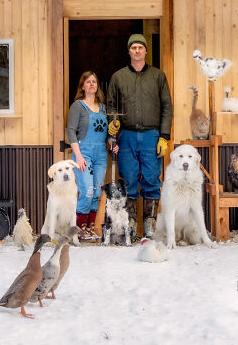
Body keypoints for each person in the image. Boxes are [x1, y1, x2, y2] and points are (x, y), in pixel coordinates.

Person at [106, 34, 173, 239]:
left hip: (152, 135)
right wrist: (113, 122)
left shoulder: (157, 76)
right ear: (129, 51)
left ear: (145, 51)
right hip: (126, 135)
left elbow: (167, 107)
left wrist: (164, 136)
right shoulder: (118, 77)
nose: (137, 51)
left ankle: (150, 226)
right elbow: (110, 105)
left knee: (152, 179)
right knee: (129, 180)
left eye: (140, 48)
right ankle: (131, 225)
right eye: (133, 47)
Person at [67, 71, 117, 241]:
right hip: (84, 153)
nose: (91, 84)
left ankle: (90, 228)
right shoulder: (77, 106)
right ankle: (80, 229)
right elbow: (71, 131)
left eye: (94, 82)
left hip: (101, 154)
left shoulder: (103, 108)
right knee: (87, 191)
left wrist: (112, 144)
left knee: (96, 192)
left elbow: (106, 135)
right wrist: (78, 156)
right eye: (87, 82)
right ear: (82, 86)